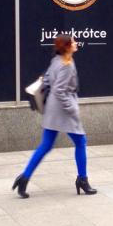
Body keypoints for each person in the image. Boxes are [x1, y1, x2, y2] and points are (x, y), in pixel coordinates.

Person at [12, 34, 96, 198]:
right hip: (63, 111)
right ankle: (82, 180)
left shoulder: (56, 61)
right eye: (73, 42)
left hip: (52, 109)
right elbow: (59, 91)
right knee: (81, 141)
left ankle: (24, 178)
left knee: (46, 145)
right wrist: (72, 109)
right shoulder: (67, 65)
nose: (76, 43)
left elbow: (47, 81)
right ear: (67, 46)